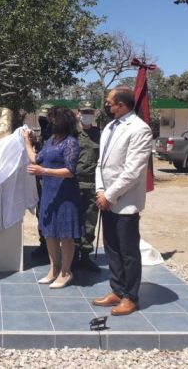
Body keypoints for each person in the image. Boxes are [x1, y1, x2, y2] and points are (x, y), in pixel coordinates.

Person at [92, 86, 153, 316]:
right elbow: (102, 163)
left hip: (124, 202)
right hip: (105, 199)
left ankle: (130, 297)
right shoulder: (109, 126)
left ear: (122, 105)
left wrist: (109, 195)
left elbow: (133, 171)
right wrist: (100, 191)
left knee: (128, 252)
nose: (106, 106)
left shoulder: (140, 129)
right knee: (112, 249)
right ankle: (117, 290)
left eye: (109, 102)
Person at [23, 106, 82, 288]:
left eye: (52, 119)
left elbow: (70, 171)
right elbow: (34, 159)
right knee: (49, 233)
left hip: (65, 195)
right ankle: (54, 269)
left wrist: (44, 171)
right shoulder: (50, 141)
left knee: (65, 235)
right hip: (49, 193)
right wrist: (27, 141)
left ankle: (66, 272)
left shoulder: (70, 142)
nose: (49, 122)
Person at [74, 101, 101, 273]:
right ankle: (72, 255)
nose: (87, 114)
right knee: (74, 219)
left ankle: (85, 255)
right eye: (84, 111)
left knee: (90, 220)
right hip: (75, 182)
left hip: (93, 183)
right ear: (78, 113)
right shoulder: (72, 133)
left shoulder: (99, 134)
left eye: (90, 111)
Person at [30, 103, 53, 258]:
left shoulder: (58, 133)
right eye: (41, 116)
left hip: (53, 178)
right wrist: (34, 141)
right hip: (41, 179)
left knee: (52, 212)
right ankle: (44, 244)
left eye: (46, 116)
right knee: (41, 212)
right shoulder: (43, 133)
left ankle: (52, 247)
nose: (43, 119)